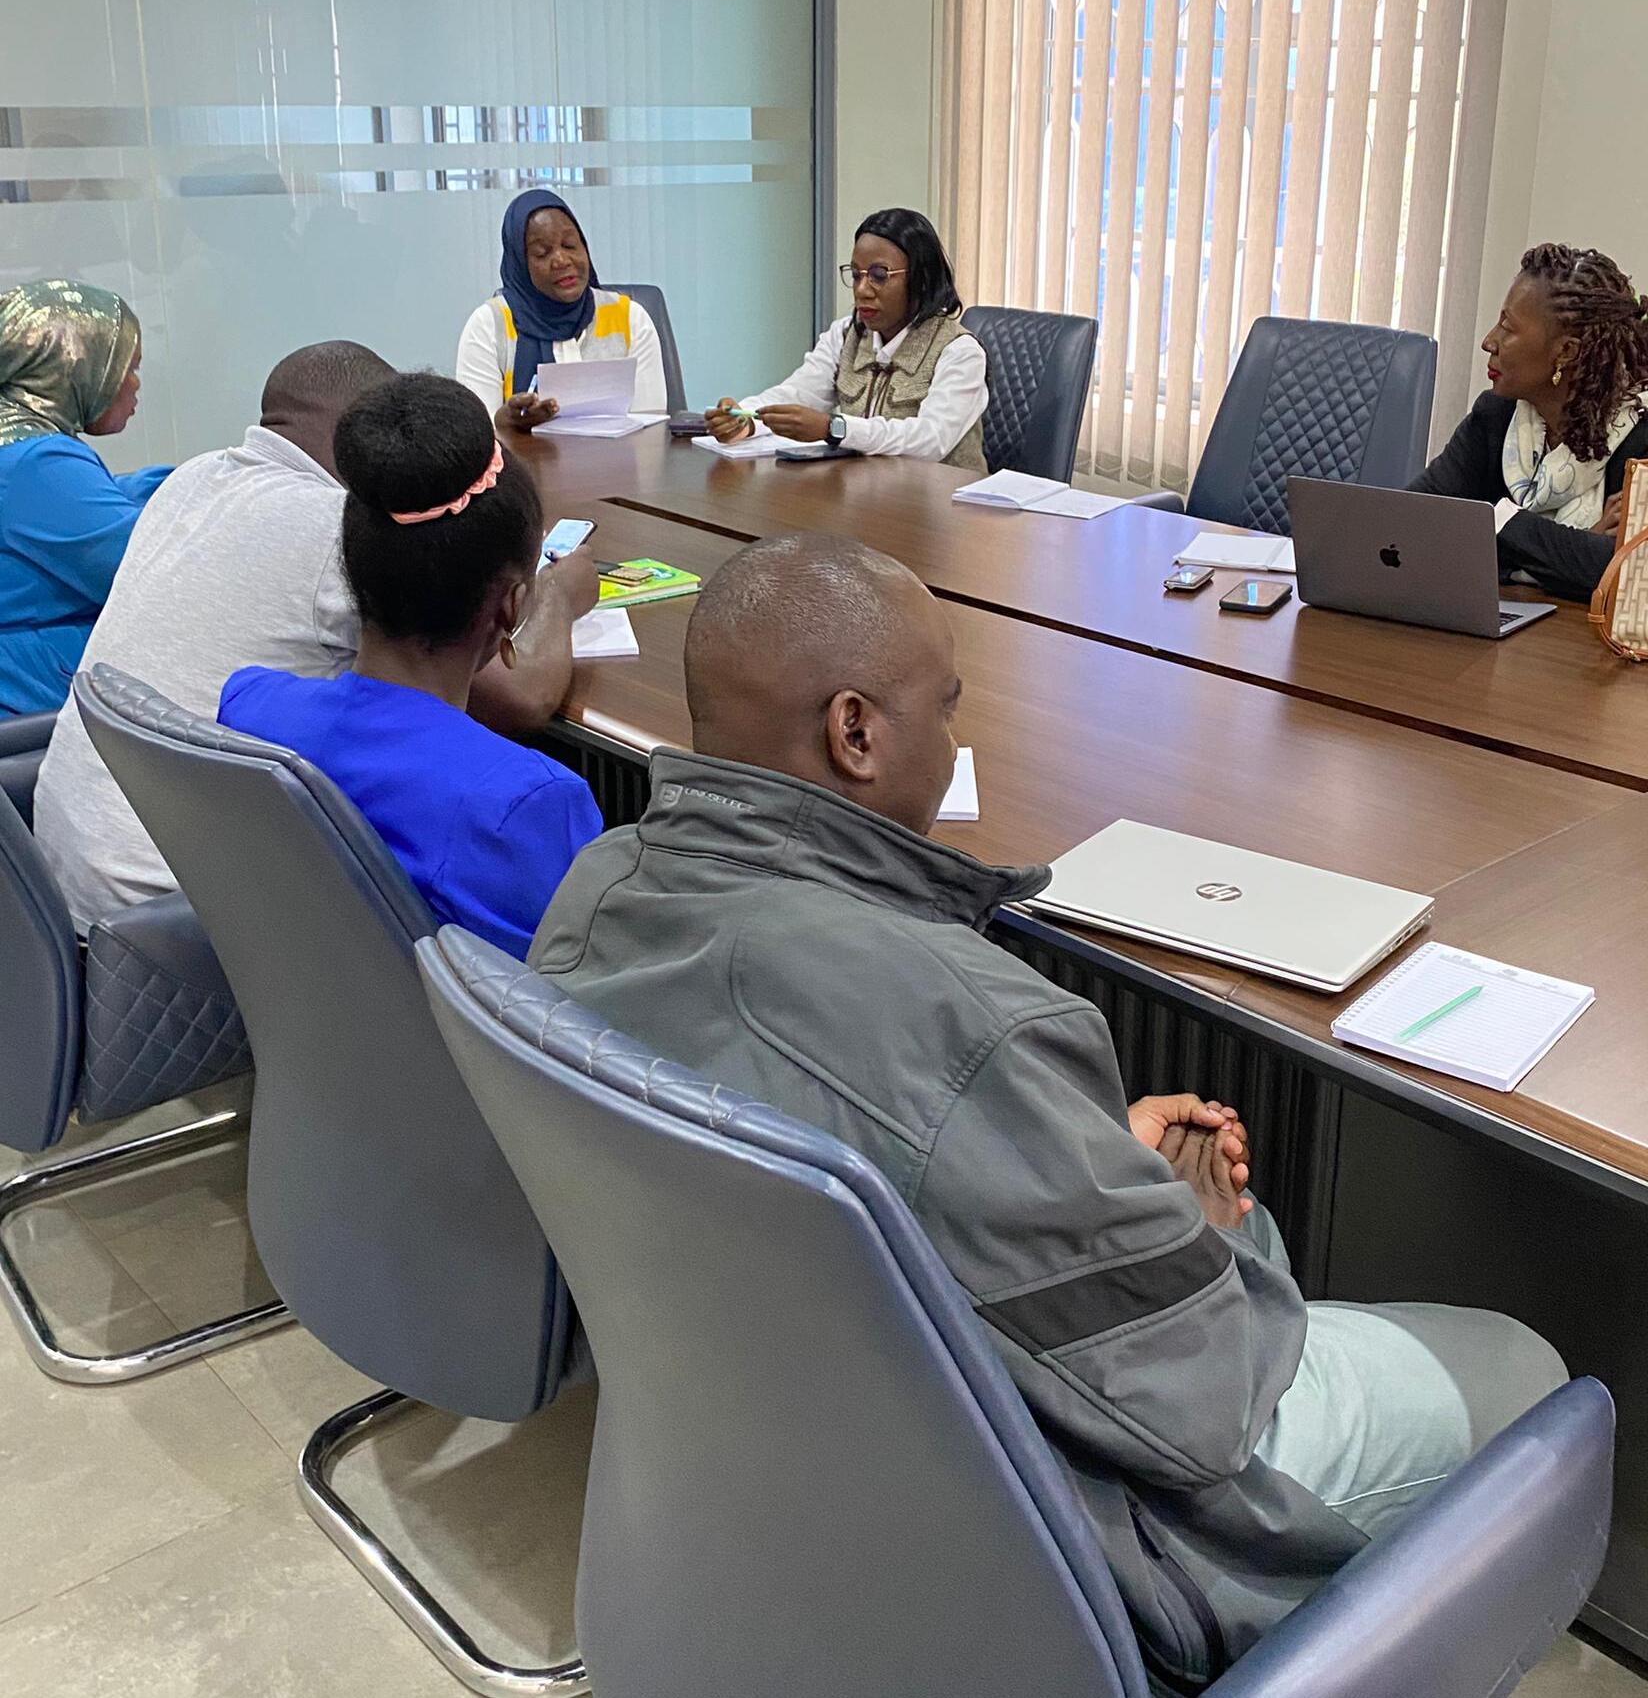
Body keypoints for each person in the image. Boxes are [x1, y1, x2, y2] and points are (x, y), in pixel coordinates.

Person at [528, 531, 1567, 1687]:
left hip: (764, 1462)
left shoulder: (591, 893)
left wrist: (1066, 1167)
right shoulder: (975, 1019)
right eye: (948, 705)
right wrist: (1195, 1234)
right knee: (1517, 1366)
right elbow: (1203, 1404)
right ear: (856, 731)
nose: (960, 733)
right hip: (1055, 1537)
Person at [34, 343, 594, 930]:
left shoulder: (193, 481)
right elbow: (522, 699)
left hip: (62, 887)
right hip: (178, 924)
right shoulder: (334, 525)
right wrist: (554, 594)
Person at [219, 373, 601, 959]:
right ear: (510, 604)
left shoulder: (248, 706)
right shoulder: (527, 803)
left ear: (355, 575)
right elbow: (571, 995)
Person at [1410, 242, 1648, 600]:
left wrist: (1495, 520)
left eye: (1508, 327)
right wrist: (1573, 553)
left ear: (1566, 352)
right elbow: (1409, 522)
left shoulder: (1640, 437)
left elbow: (1627, 577)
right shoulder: (1495, 416)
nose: (1489, 342)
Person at [704, 208, 988, 466]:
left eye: (879, 275)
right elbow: (799, 395)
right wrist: (746, 418)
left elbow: (929, 441)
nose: (862, 290)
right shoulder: (845, 336)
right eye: (855, 275)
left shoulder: (959, 351)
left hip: (942, 512)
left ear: (921, 279)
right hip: (868, 501)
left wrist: (834, 428)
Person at [0, 279, 167, 714]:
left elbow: (101, 497)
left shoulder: (18, 446)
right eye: (126, 368)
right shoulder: (35, 462)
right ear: (75, 366)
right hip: (35, 715)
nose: (134, 387)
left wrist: (188, 479)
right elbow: (148, 569)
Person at [455, 188, 668, 435]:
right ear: (521, 265)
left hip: (618, 470)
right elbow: (475, 438)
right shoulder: (489, 326)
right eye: (542, 253)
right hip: (523, 471)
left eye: (570, 245)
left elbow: (650, 425)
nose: (561, 260)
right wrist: (506, 423)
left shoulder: (630, 318)